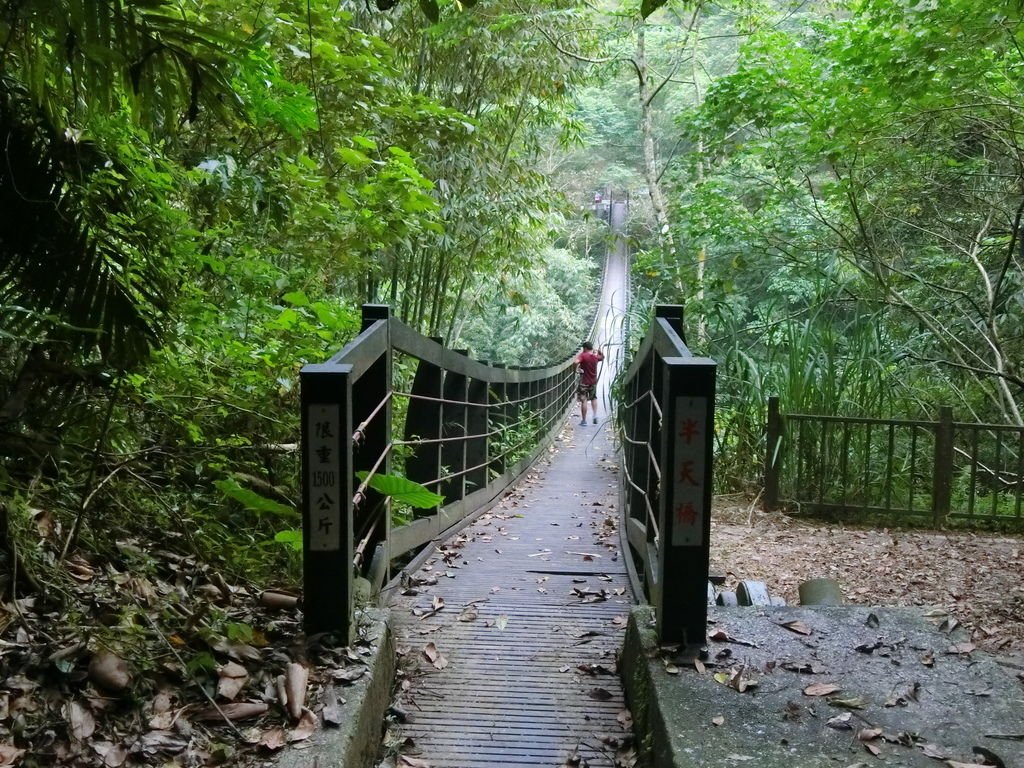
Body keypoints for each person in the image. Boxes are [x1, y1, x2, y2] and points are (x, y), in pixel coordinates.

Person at [575, 341, 605, 425]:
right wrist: (599, 351)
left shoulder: (583, 355)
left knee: (584, 400)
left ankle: (584, 421)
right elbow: (602, 357)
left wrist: (576, 369)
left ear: (584, 348)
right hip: (593, 381)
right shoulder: (595, 357)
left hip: (584, 382)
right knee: (593, 398)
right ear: (591, 348)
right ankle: (595, 416)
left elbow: (576, 362)